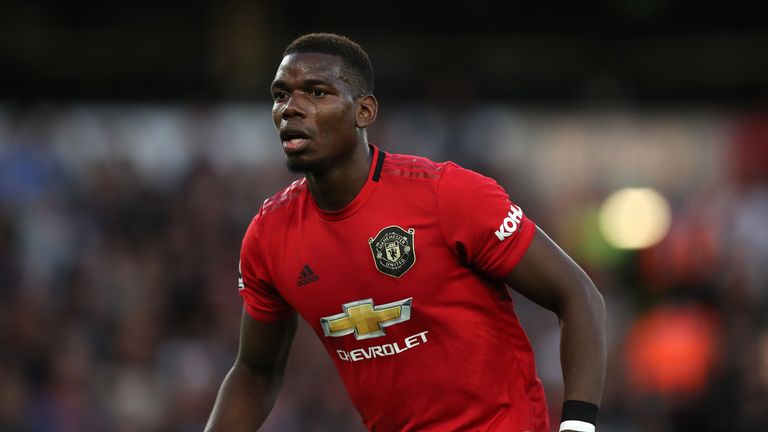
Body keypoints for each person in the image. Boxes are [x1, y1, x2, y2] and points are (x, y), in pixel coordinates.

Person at [205, 33, 606, 432]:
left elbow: (577, 295)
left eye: (316, 92)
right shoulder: (269, 236)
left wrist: (578, 426)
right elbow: (255, 372)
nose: (292, 108)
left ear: (364, 111)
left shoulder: (447, 195)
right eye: (280, 95)